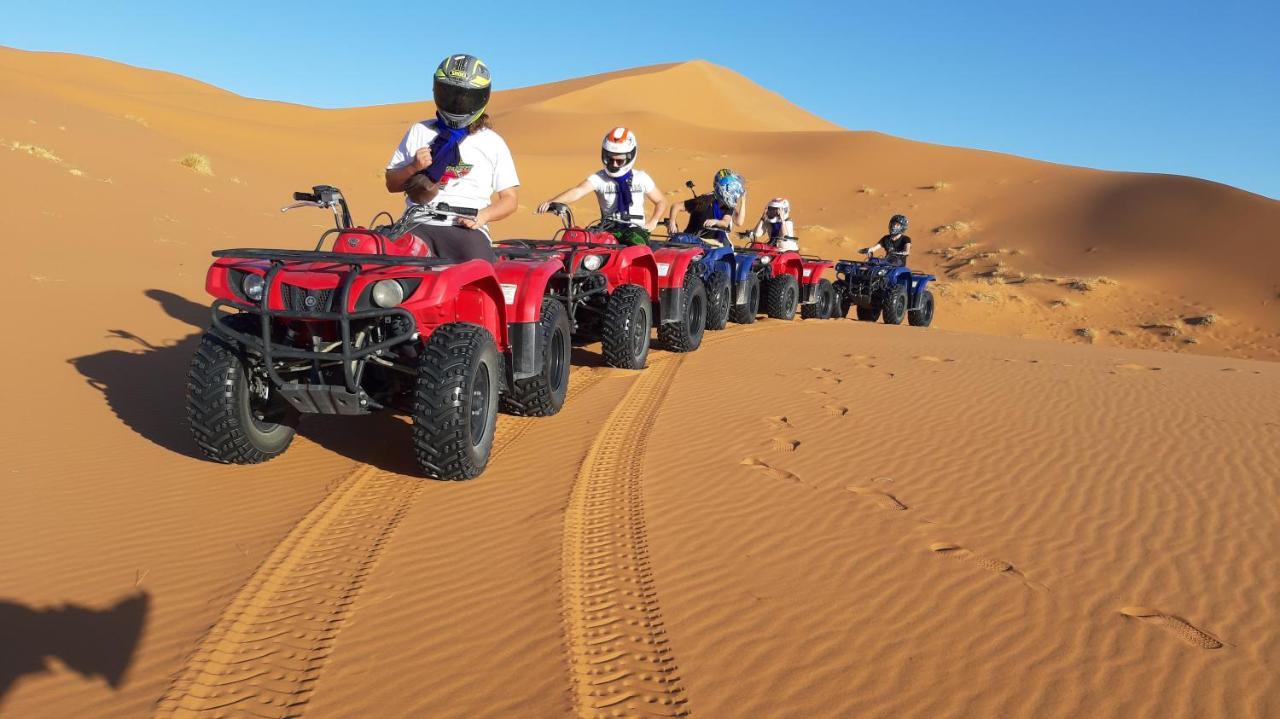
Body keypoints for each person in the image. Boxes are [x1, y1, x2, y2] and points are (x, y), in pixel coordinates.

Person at [384, 54, 519, 261]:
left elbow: (510, 200)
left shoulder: (492, 142)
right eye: (450, 94)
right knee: (382, 273)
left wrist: (483, 216)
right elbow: (392, 184)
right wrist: (413, 167)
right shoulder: (420, 131)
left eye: (465, 97)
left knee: (478, 278)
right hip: (417, 222)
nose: (457, 103)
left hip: (467, 228)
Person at [535, 127, 669, 244]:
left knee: (635, 244)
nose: (614, 164)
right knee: (581, 241)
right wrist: (552, 202)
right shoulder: (599, 178)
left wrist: (653, 221)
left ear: (630, 157)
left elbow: (661, 201)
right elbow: (578, 191)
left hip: (635, 229)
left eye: (619, 160)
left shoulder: (641, 178)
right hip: (608, 228)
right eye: (610, 159)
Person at [666, 168, 748, 245]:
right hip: (694, 242)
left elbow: (733, 222)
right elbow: (676, 206)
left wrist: (743, 201)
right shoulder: (704, 200)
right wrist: (672, 222)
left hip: (713, 245)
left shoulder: (728, 204)